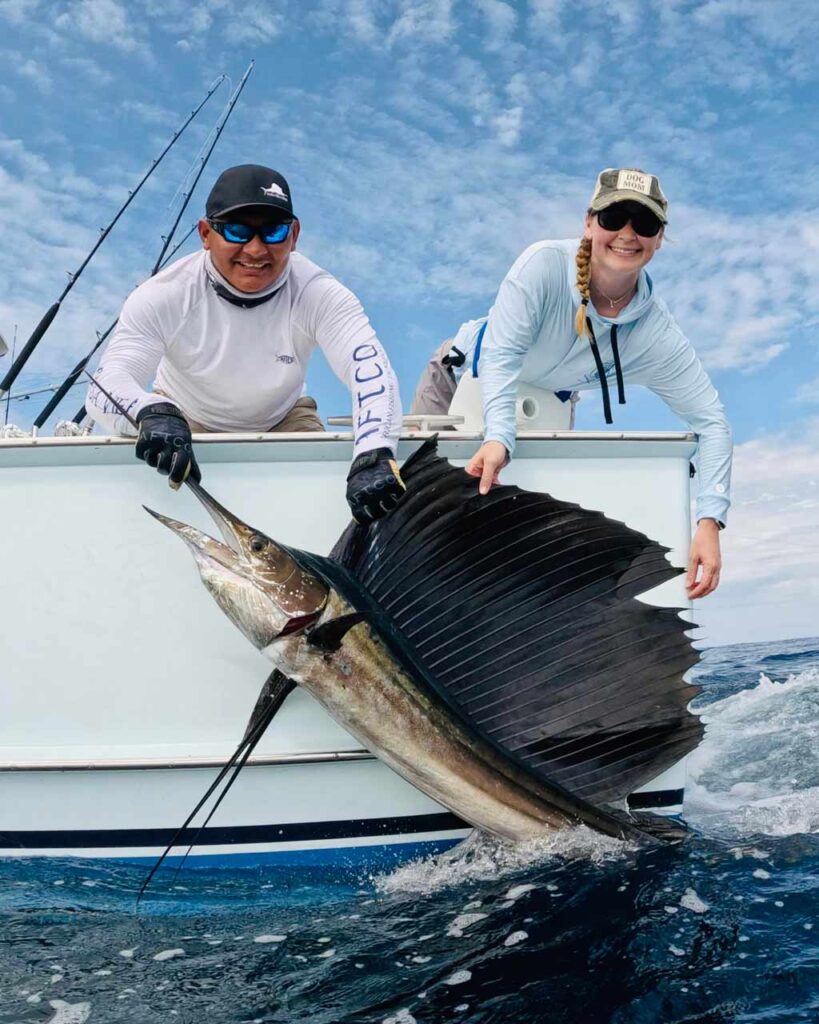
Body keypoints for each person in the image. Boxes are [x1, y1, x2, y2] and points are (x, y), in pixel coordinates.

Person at [412, 168, 732, 599]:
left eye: (645, 223)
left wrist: (709, 522)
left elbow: (712, 422)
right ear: (589, 222)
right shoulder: (542, 264)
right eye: (614, 216)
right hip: (462, 377)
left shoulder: (657, 334)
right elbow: (501, 356)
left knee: (513, 539)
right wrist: (499, 435)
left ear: (659, 239)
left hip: (548, 407)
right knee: (421, 510)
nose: (627, 233)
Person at [86, 164, 405, 523]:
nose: (255, 250)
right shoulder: (162, 294)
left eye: (273, 231)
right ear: (206, 234)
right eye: (237, 231)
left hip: (284, 418)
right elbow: (106, 386)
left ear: (295, 235)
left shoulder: (321, 293)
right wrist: (149, 412)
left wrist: (374, 450)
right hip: (181, 424)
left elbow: (371, 371)